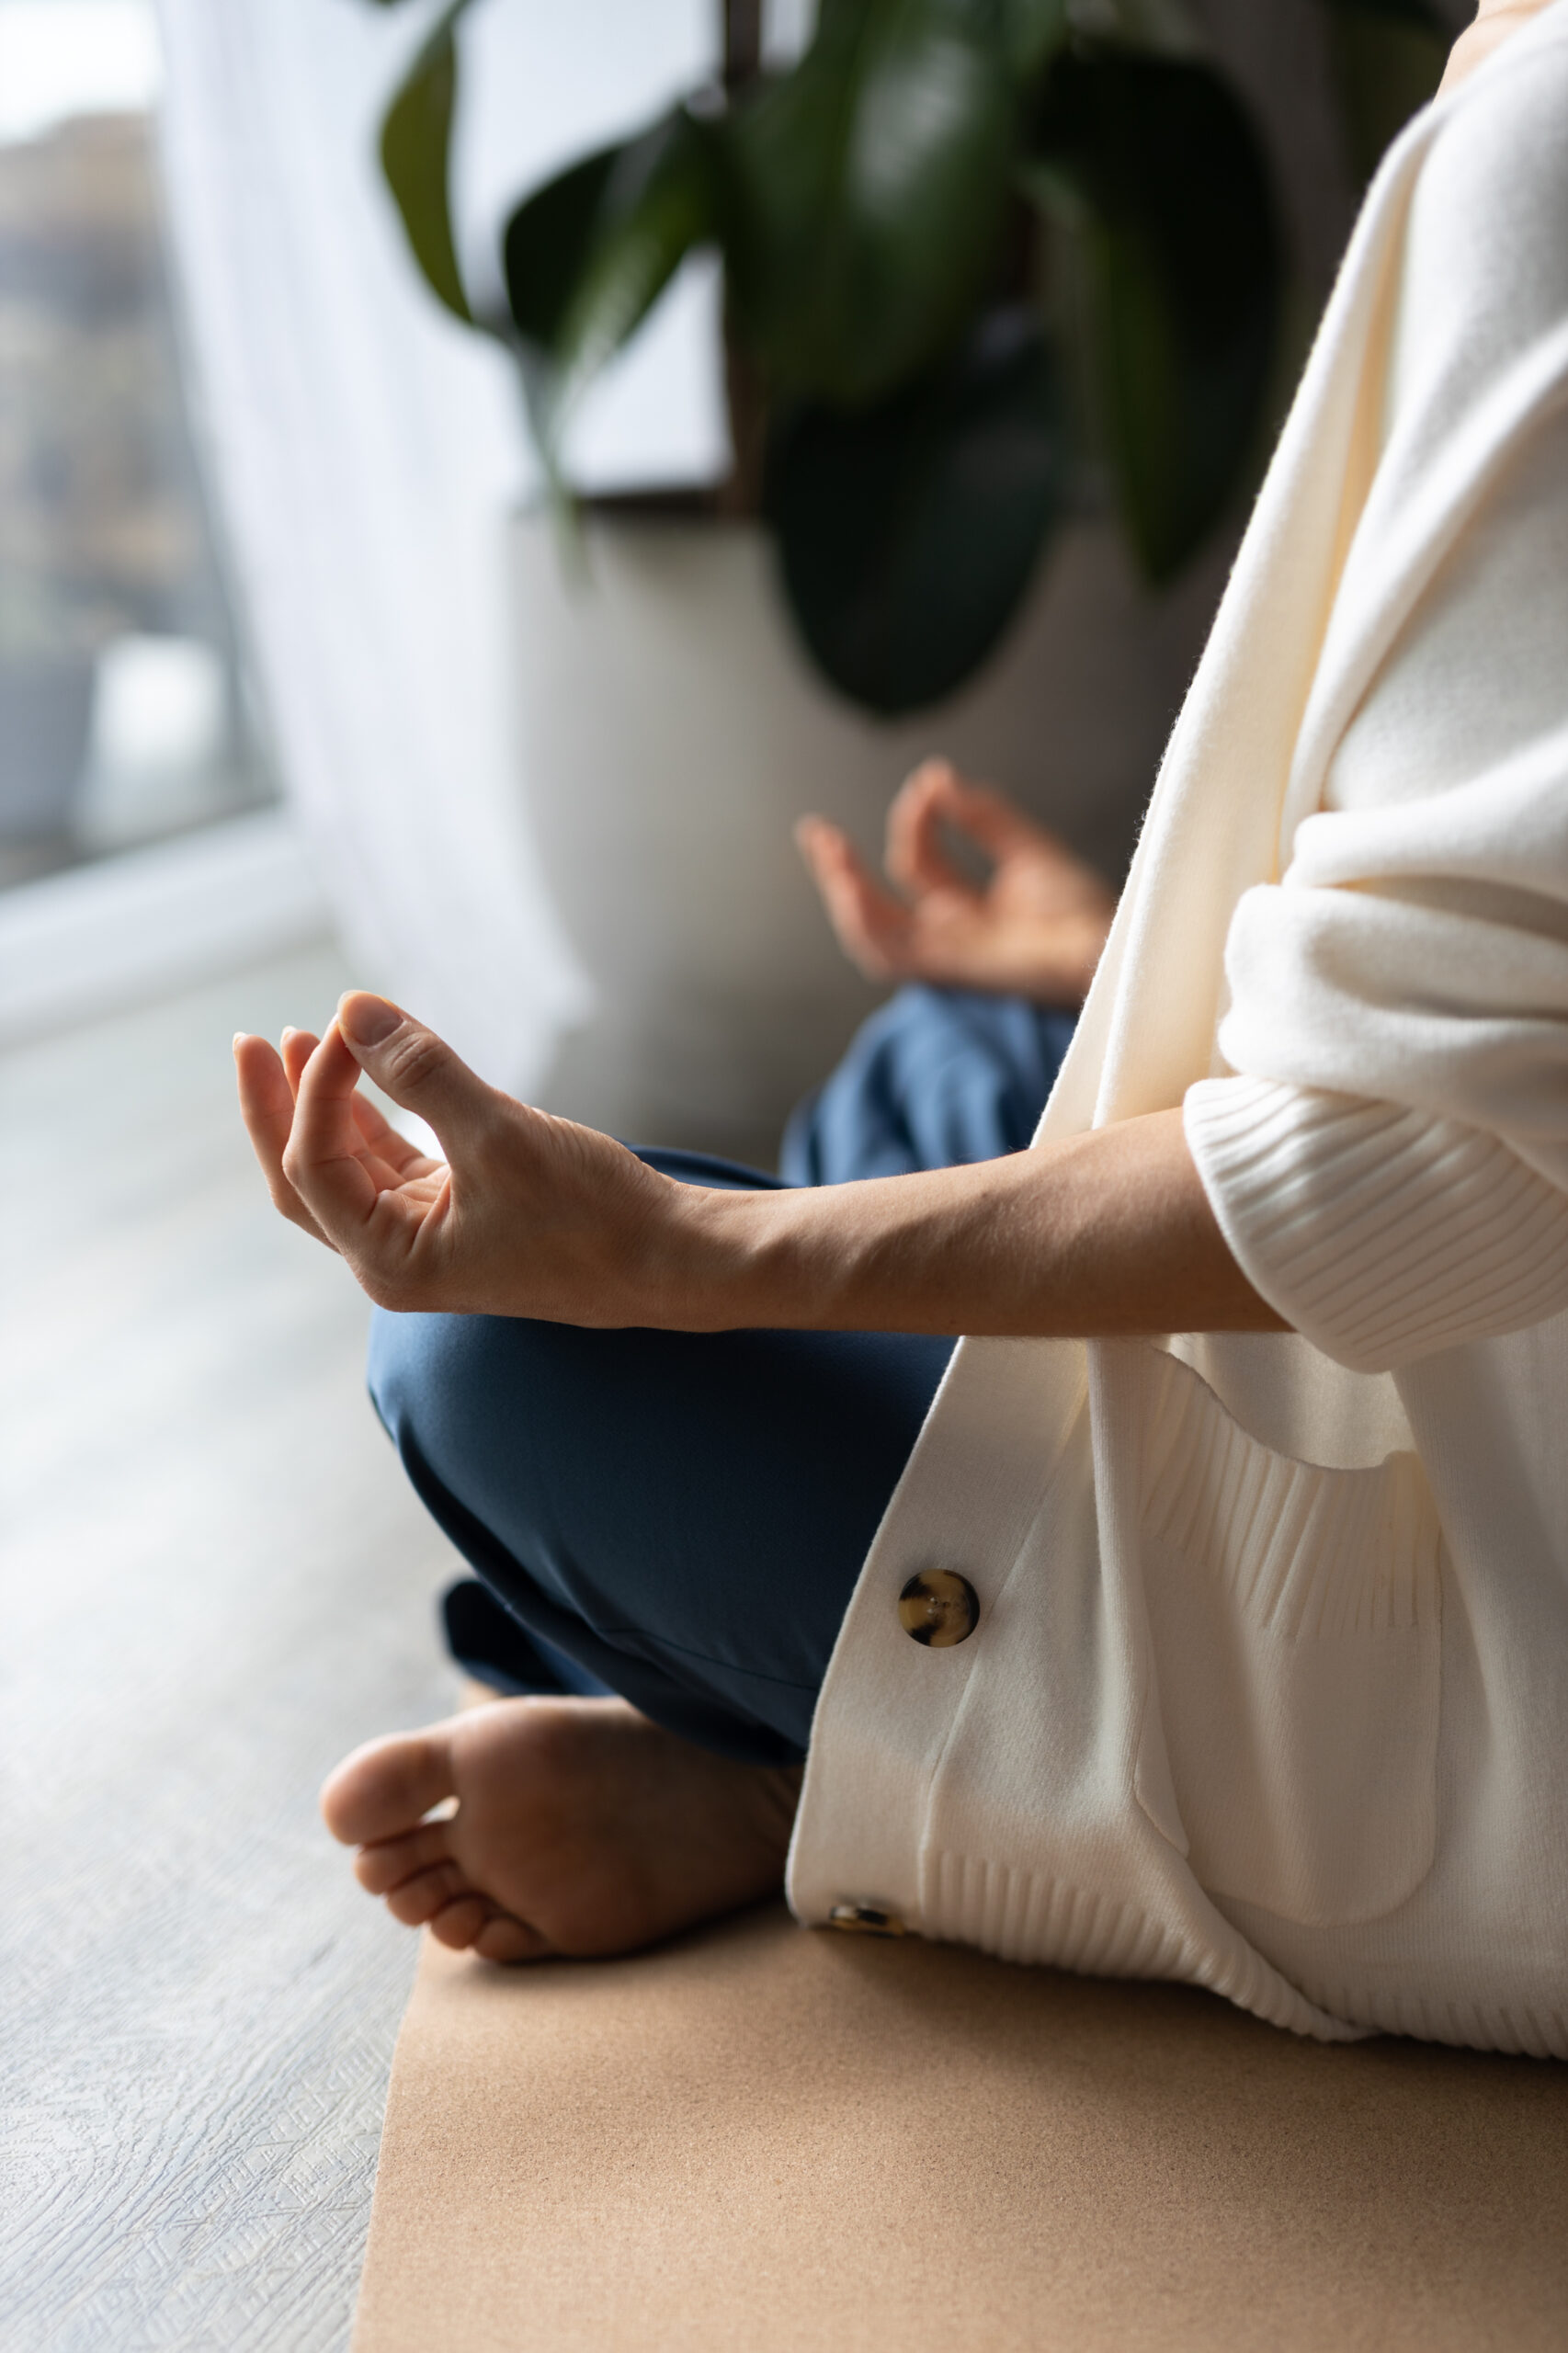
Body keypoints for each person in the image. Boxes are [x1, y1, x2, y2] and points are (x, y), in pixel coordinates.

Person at [236, 0, 1568, 2050]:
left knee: (497, 1353)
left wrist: (675, 1259)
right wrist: (1111, 957)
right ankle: (802, 1700)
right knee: (949, 1059)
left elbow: (1432, 1167)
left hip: (1503, 1668)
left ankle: (789, 1761)